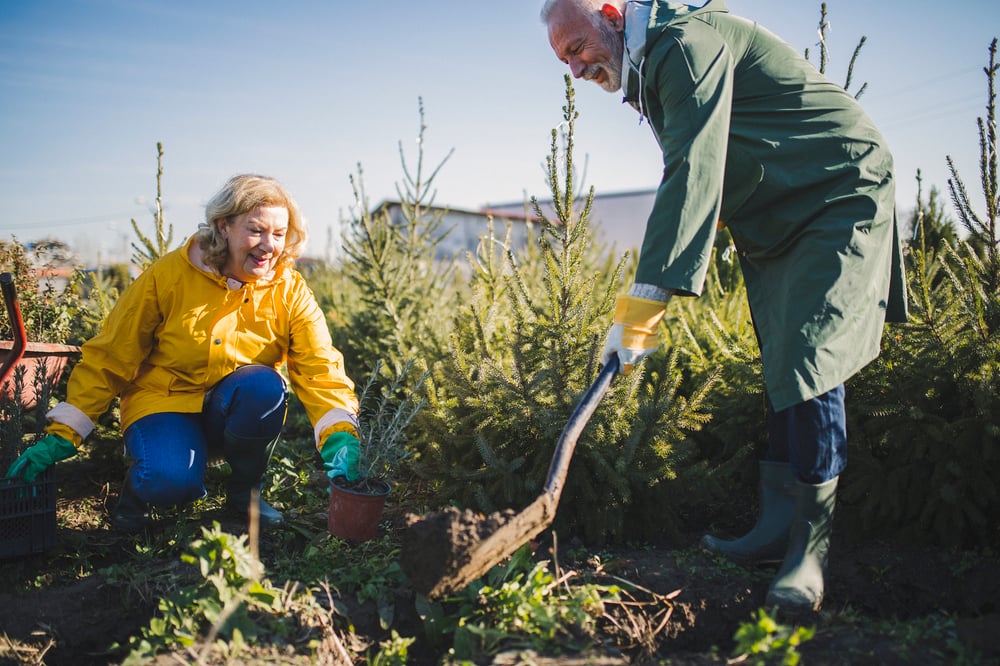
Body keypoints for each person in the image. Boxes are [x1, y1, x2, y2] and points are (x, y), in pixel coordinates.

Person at [542, 0, 908, 613]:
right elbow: (709, 155)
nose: (576, 69)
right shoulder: (650, 61)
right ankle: (776, 524)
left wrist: (642, 307)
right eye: (564, 61)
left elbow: (692, 169)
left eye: (577, 47)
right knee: (781, 354)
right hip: (783, 209)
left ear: (609, 13)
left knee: (810, 355)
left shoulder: (684, 45)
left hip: (835, 189)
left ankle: (809, 550)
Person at [5, 174, 364, 532]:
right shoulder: (169, 276)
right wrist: (66, 432)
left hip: (231, 406)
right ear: (224, 226)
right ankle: (140, 489)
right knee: (171, 482)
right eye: (256, 230)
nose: (269, 245)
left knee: (266, 386)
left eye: (279, 233)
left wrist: (339, 433)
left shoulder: (289, 289)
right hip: (163, 402)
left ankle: (245, 495)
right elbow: (113, 354)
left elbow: (319, 364)